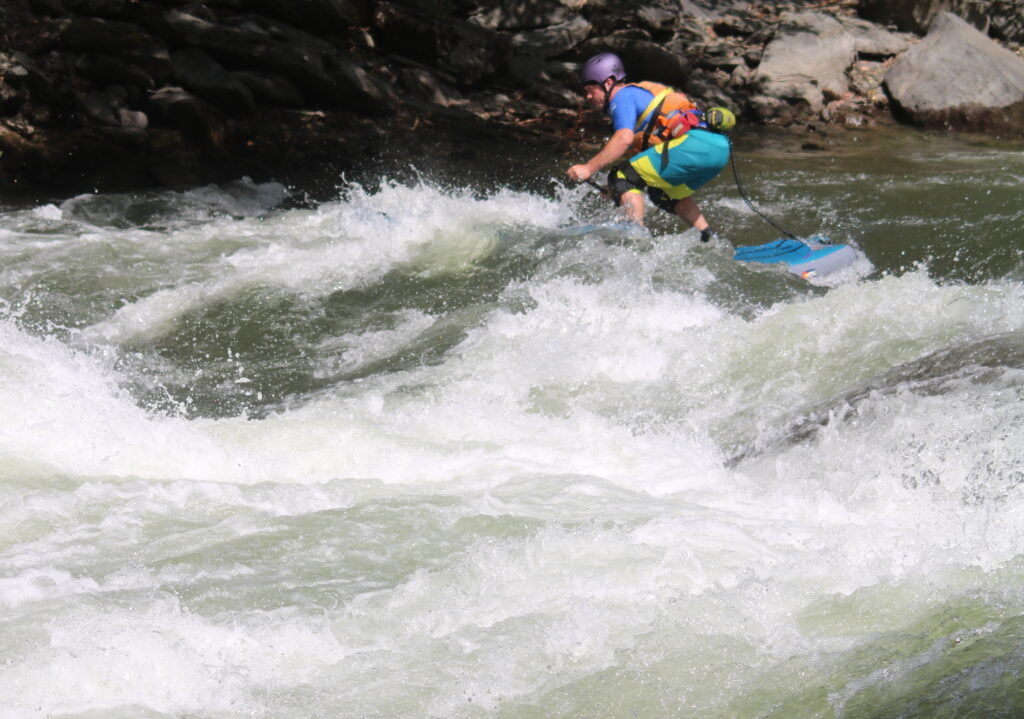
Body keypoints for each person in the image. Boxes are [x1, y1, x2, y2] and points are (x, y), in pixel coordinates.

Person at [566, 52, 734, 242]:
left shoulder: (622, 97)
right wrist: (617, 189)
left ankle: (634, 235)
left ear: (608, 83)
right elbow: (644, 164)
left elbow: (624, 138)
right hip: (718, 150)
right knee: (663, 192)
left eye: (591, 88)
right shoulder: (639, 98)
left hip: (694, 143)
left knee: (621, 176)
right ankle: (710, 238)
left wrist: (589, 168)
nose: (587, 96)